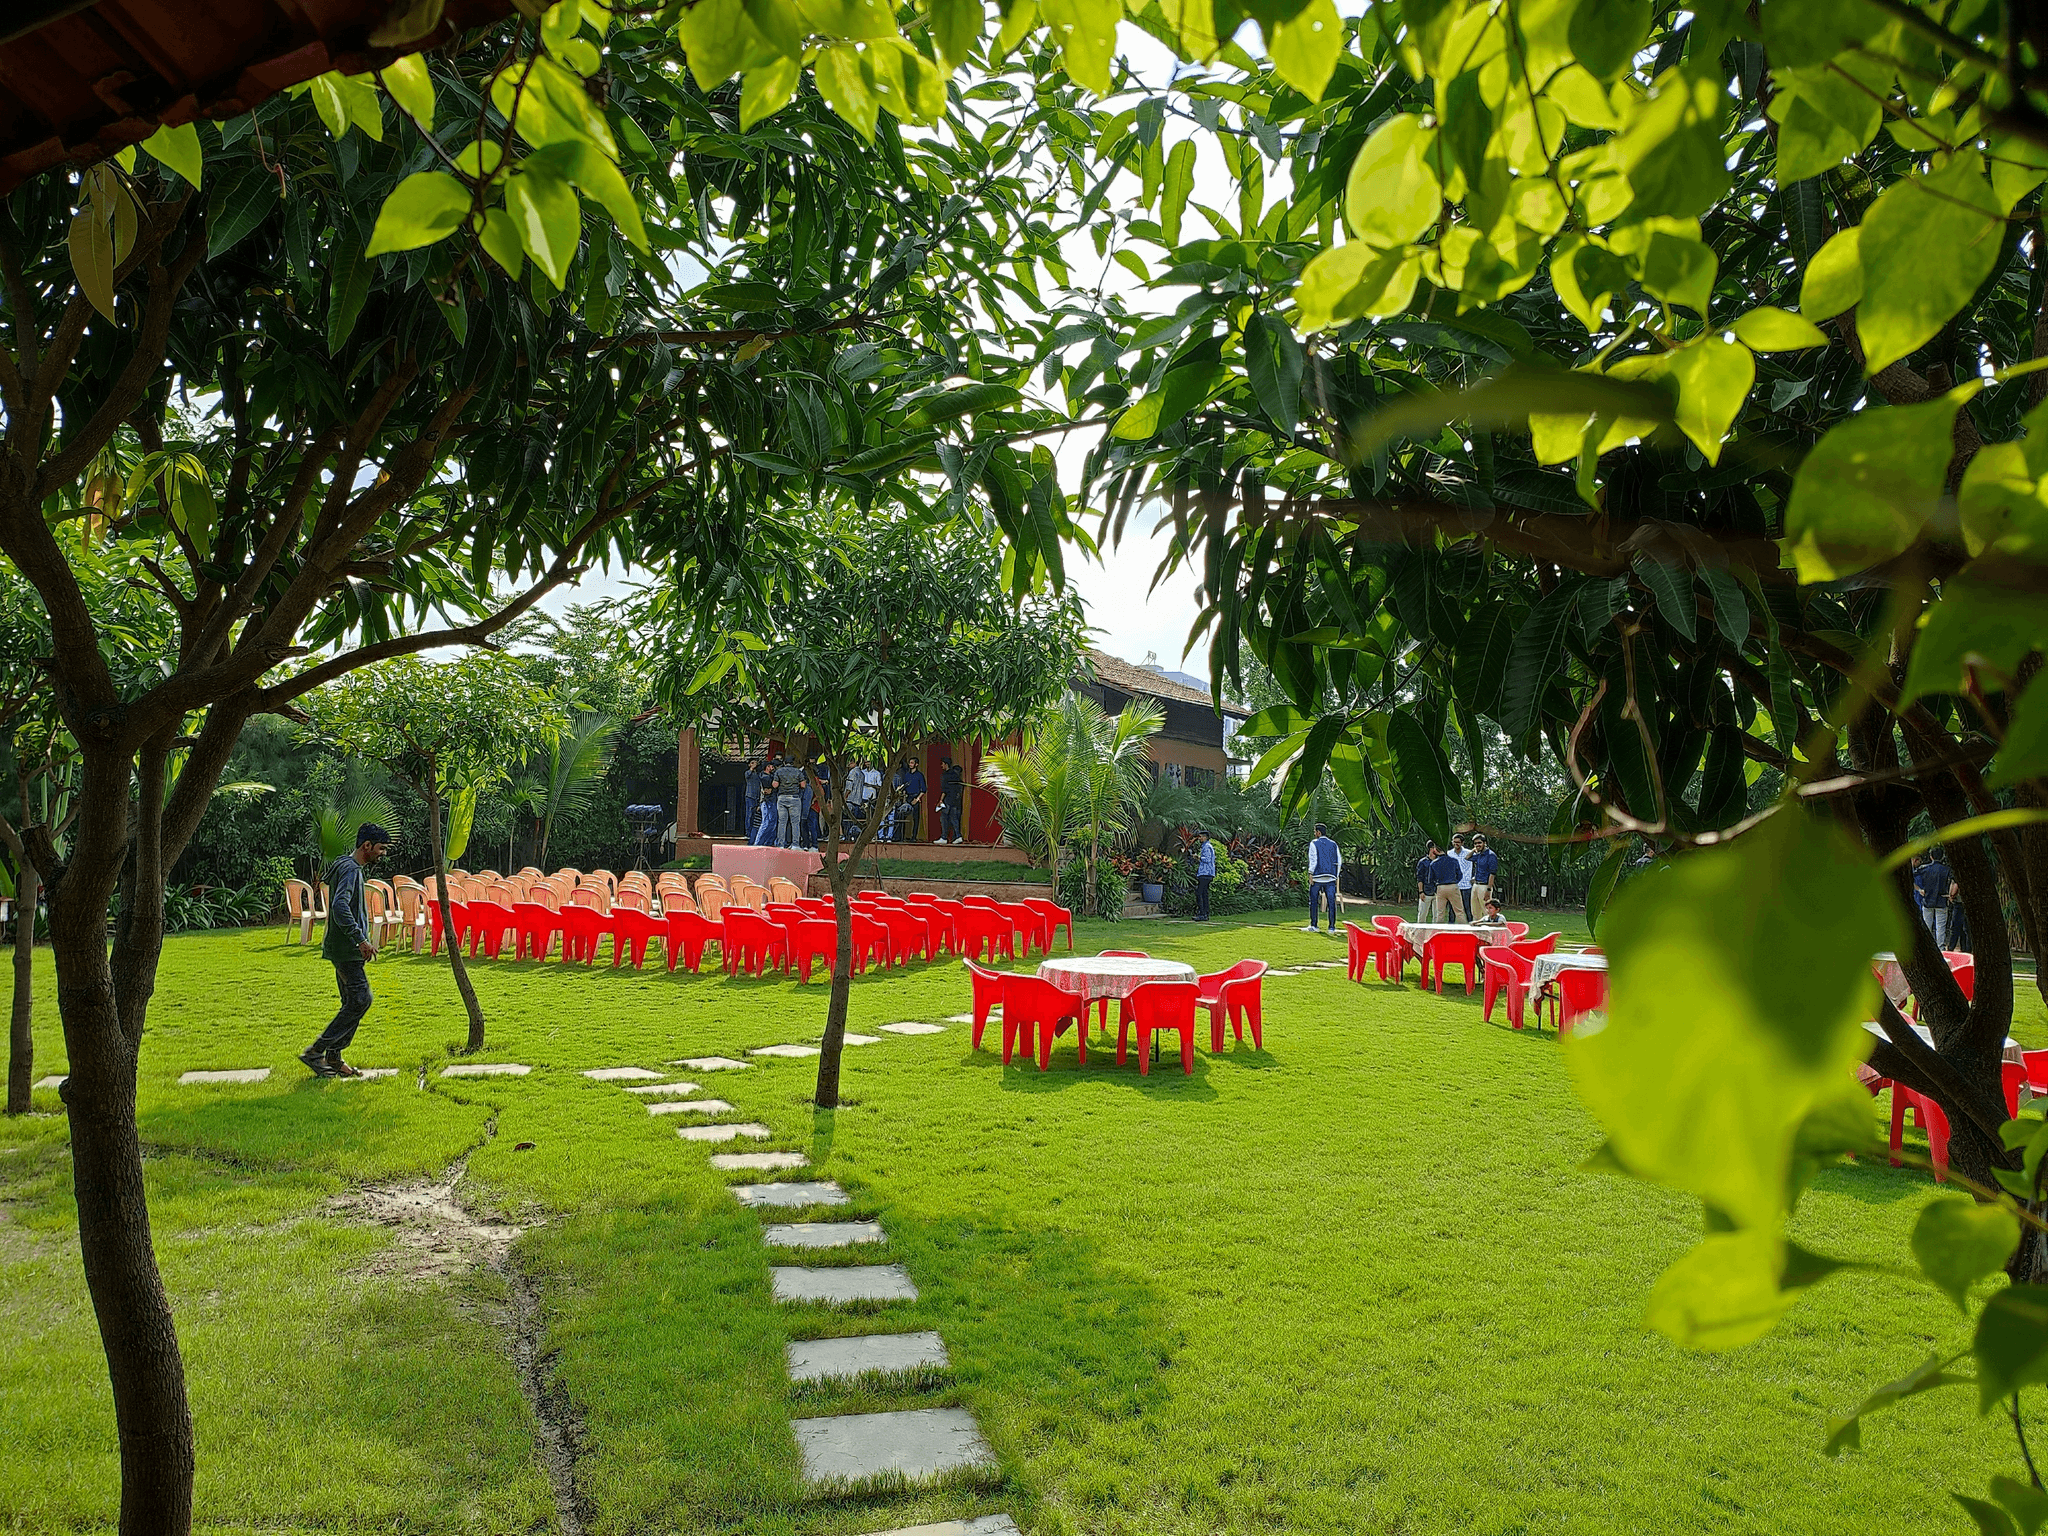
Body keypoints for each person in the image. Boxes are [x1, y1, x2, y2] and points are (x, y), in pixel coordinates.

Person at [300, 822, 390, 1078]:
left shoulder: (343, 864)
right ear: (367, 846)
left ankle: (334, 1059)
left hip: (339, 948)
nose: (382, 854)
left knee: (351, 1001)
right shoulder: (351, 870)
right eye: (380, 849)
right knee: (362, 999)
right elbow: (339, 906)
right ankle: (316, 1052)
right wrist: (360, 939)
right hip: (347, 949)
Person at [1912, 850, 1953, 949]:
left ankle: (1927, 947)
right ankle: (1941, 948)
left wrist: (1919, 889)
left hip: (1927, 900)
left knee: (1927, 925)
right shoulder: (1947, 870)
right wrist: (1950, 895)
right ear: (1942, 856)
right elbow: (1952, 881)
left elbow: (1911, 877)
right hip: (1942, 900)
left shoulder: (1925, 869)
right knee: (1941, 927)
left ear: (1931, 857)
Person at [1307, 822, 1341, 932]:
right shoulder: (1334, 844)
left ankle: (1314, 925)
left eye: (1315, 832)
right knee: (1331, 903)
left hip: (1317, 877)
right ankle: (1331, 927)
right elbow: (1339, 861)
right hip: (1330, 878)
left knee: (1314, 902)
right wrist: (1336, 876)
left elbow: (1313, 859)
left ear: (1318, 832)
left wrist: (1310, 873)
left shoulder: (1314, 843)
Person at [771, 754, 805, 847]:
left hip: (782, 798)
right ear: (793, 763)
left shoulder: (779, 771)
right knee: (795, 823)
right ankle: (795, 844)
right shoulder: (798, 772)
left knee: (782, 822)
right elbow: (803, 785)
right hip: (794, 798)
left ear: (784, 762)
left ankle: (781, 844)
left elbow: (775, 785)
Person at [1429, 844, 1464, 922]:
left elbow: (1431, 879)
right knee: (1459, 911)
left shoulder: (1433, 863)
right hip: (1452, 885)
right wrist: (1455, 882)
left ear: (1435, 850)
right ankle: (1463, 930)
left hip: (1440, 887)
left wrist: (1435, 888)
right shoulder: (1454, 860)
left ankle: (1439, 931)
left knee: (1440, 912)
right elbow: (1460, 875)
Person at [898, 757, 926, 843]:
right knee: (902, 817)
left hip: (915, 797)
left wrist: (917, 799)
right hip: (907, 797)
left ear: (916, 764)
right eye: (909, 763)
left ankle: (914, 837)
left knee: (915, 819)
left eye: (912, 763)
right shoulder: (907, 775)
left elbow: (924, 789)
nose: (910, 764)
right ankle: (902, 836)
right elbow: (905, 786)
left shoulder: (919, 775)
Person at [1469, 834, 1498, 918]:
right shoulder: (1479, 854)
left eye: (1479, 843)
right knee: (1475, 912)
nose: (1477, 845)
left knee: (1486, 911)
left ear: (1485, 843)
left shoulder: (1491, 855)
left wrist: (1488, 890)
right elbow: (1467, 857)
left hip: (1484, 886)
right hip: (1476, 885)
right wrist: (1474, 850)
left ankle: (1488, 930)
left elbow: (1492, 874)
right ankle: (1477, 930)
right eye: (1475, 843)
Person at [937, 756, 964, 844]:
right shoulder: (955, 775)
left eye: (942, 764)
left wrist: (941, 800)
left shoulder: (946, 775)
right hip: (956, 800)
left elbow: (945, 789)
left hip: (948, 800)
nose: (941, 766)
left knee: (944, 818)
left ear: (946, 764)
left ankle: (944, 837)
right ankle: (958, 836)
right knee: (954, 819)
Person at [1450, 833, 1475, 921]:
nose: (1456, 844)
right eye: (1454, 842)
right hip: (1453, 884)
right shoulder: (1449, 853)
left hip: (1466, 885)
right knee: (1452, 910)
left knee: (1467, 908)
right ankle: (1450, 928)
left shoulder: (1469, 853)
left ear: (1462, 843)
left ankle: (1471, 927)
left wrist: (1474, 877)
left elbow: (1479, 864)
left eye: (1458, 842)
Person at [1415, 842, 1439, 924]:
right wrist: (1421, 891)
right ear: (1431, 849)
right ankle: (1420, 933)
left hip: (1438, 892)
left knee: (1437, 916)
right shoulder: (1423, 862)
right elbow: (1420, 877)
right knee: (1422, 914)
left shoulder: (1440, 861)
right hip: (1426, 891)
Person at [743, 757, 765, 843]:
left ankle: (753, 832)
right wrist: (752, 767)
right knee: (749, 814)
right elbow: (747, 775)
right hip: (750, 796)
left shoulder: (758, 774)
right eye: (752, 763)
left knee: (755, 816)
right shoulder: (748, 773)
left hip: (757, 797)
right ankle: (747, 833)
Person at [1195, 831, 1216, 921]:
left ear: (1205, 837)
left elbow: (1207, 859)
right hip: (1207, 873)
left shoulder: (1207, 847)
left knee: (1200, 893)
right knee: (1204, 893)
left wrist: (1198, 857)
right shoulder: (1207, 846)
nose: (1199, 839)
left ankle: (1203, 913)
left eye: (1200, 837)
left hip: (1205, 873)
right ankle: (1205, 913)